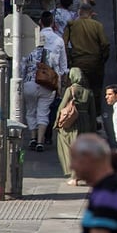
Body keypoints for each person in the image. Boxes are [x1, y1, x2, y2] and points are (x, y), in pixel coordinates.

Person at [65, 3, 110, 115]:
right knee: (96, 91)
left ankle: (78, 114)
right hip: (95, 64)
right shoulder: (97, 25)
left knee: (77, 90)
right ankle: (96, 115)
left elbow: (64, 44)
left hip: (77, 64)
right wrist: (102, 59)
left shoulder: (71, 26)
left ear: (79, 13)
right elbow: (105, 44)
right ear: (91, 14)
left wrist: (69, 60)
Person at [56, 67, 98, 185]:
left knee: (70, 147)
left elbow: (62, 107)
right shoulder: (89, 92)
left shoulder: (70, 90)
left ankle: (74, 177)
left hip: (72, 123)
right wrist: (93, 128)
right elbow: (93, 112)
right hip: (85, 122)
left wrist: (57, 123)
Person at [39, 11, 70, 146]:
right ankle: (47, 135)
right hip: (53, 78)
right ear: (52, 23)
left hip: (36, 76)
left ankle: (36, 136)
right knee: (50, 107)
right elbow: (63, 65)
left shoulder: (36, 37)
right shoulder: (58, 40)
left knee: (36, 109)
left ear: (40, 22)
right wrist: (62, 81)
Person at [22, 37, 58, 153]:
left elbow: (22, 69)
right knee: (43, 112)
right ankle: (40, 141)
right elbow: (56, 71)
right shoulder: (51, 54)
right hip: (46, 86)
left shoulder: (27, 53)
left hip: (29, 84)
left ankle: (33, 137)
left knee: (30, 111)